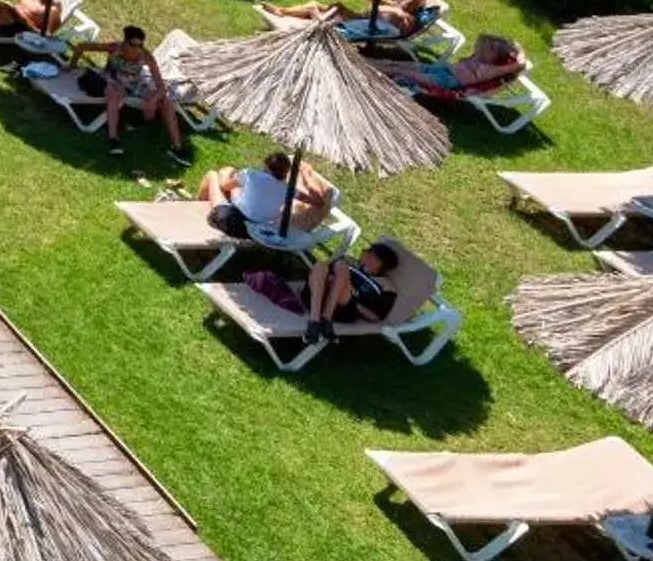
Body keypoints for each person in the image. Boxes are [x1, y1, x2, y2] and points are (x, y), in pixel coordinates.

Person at [74, 25, 185, 154]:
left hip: (135, 86)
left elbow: (161, 85)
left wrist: (153, 100)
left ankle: (178, 146)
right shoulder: (115, 48)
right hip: (113, 82)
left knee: (166, 102)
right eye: (133, 44)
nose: (137, 49)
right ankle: (113, 139)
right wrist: (72, 65)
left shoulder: (146, 56)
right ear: (125, 42)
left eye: (141, 45)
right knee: (113, 93)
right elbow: (82, 46)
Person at [197, 151, 334, 235]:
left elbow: (224, 186)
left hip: (227, 219)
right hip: (252, 232)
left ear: (267, 166)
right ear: (285, 173)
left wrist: (231, 175)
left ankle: (197, 205)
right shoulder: (289, 190)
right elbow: (319, 203)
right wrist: (306, 177)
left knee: (213, 175)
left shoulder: (250, 174)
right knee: (233, 182)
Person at [261, 0, 441, 43]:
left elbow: (403, 31)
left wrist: (401, 12)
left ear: (416, 7)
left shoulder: (407, 17)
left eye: (413, 0)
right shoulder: (391, 6)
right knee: (315, 4)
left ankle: (317, 21)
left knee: (324, 8)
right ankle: (282, 11)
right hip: (360, 19)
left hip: (362, 24)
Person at [301, 240, 407, 331]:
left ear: (379, 263)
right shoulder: (350, 262)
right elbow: (318, 275)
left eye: (369, 254)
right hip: (314, 298)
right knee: (321, 265)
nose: (363, 253)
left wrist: (354, 301)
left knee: (341, 267)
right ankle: (318, 320)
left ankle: (323, 318)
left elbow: (376, 316)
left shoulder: (386, 285)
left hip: (341, 309)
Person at [386, 35, 526, 100]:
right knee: (394, 63)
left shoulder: (491, 70)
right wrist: (497, 43)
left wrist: (518, 52)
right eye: (488, 45)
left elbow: (521, 64)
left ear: (498, 56)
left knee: (397, 70)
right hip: (442, 69)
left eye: (492, 47)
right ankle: (366, 62)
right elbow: (481, 38)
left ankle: (367, 69)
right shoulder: (478, 56)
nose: (485, 47)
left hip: (446, 80)